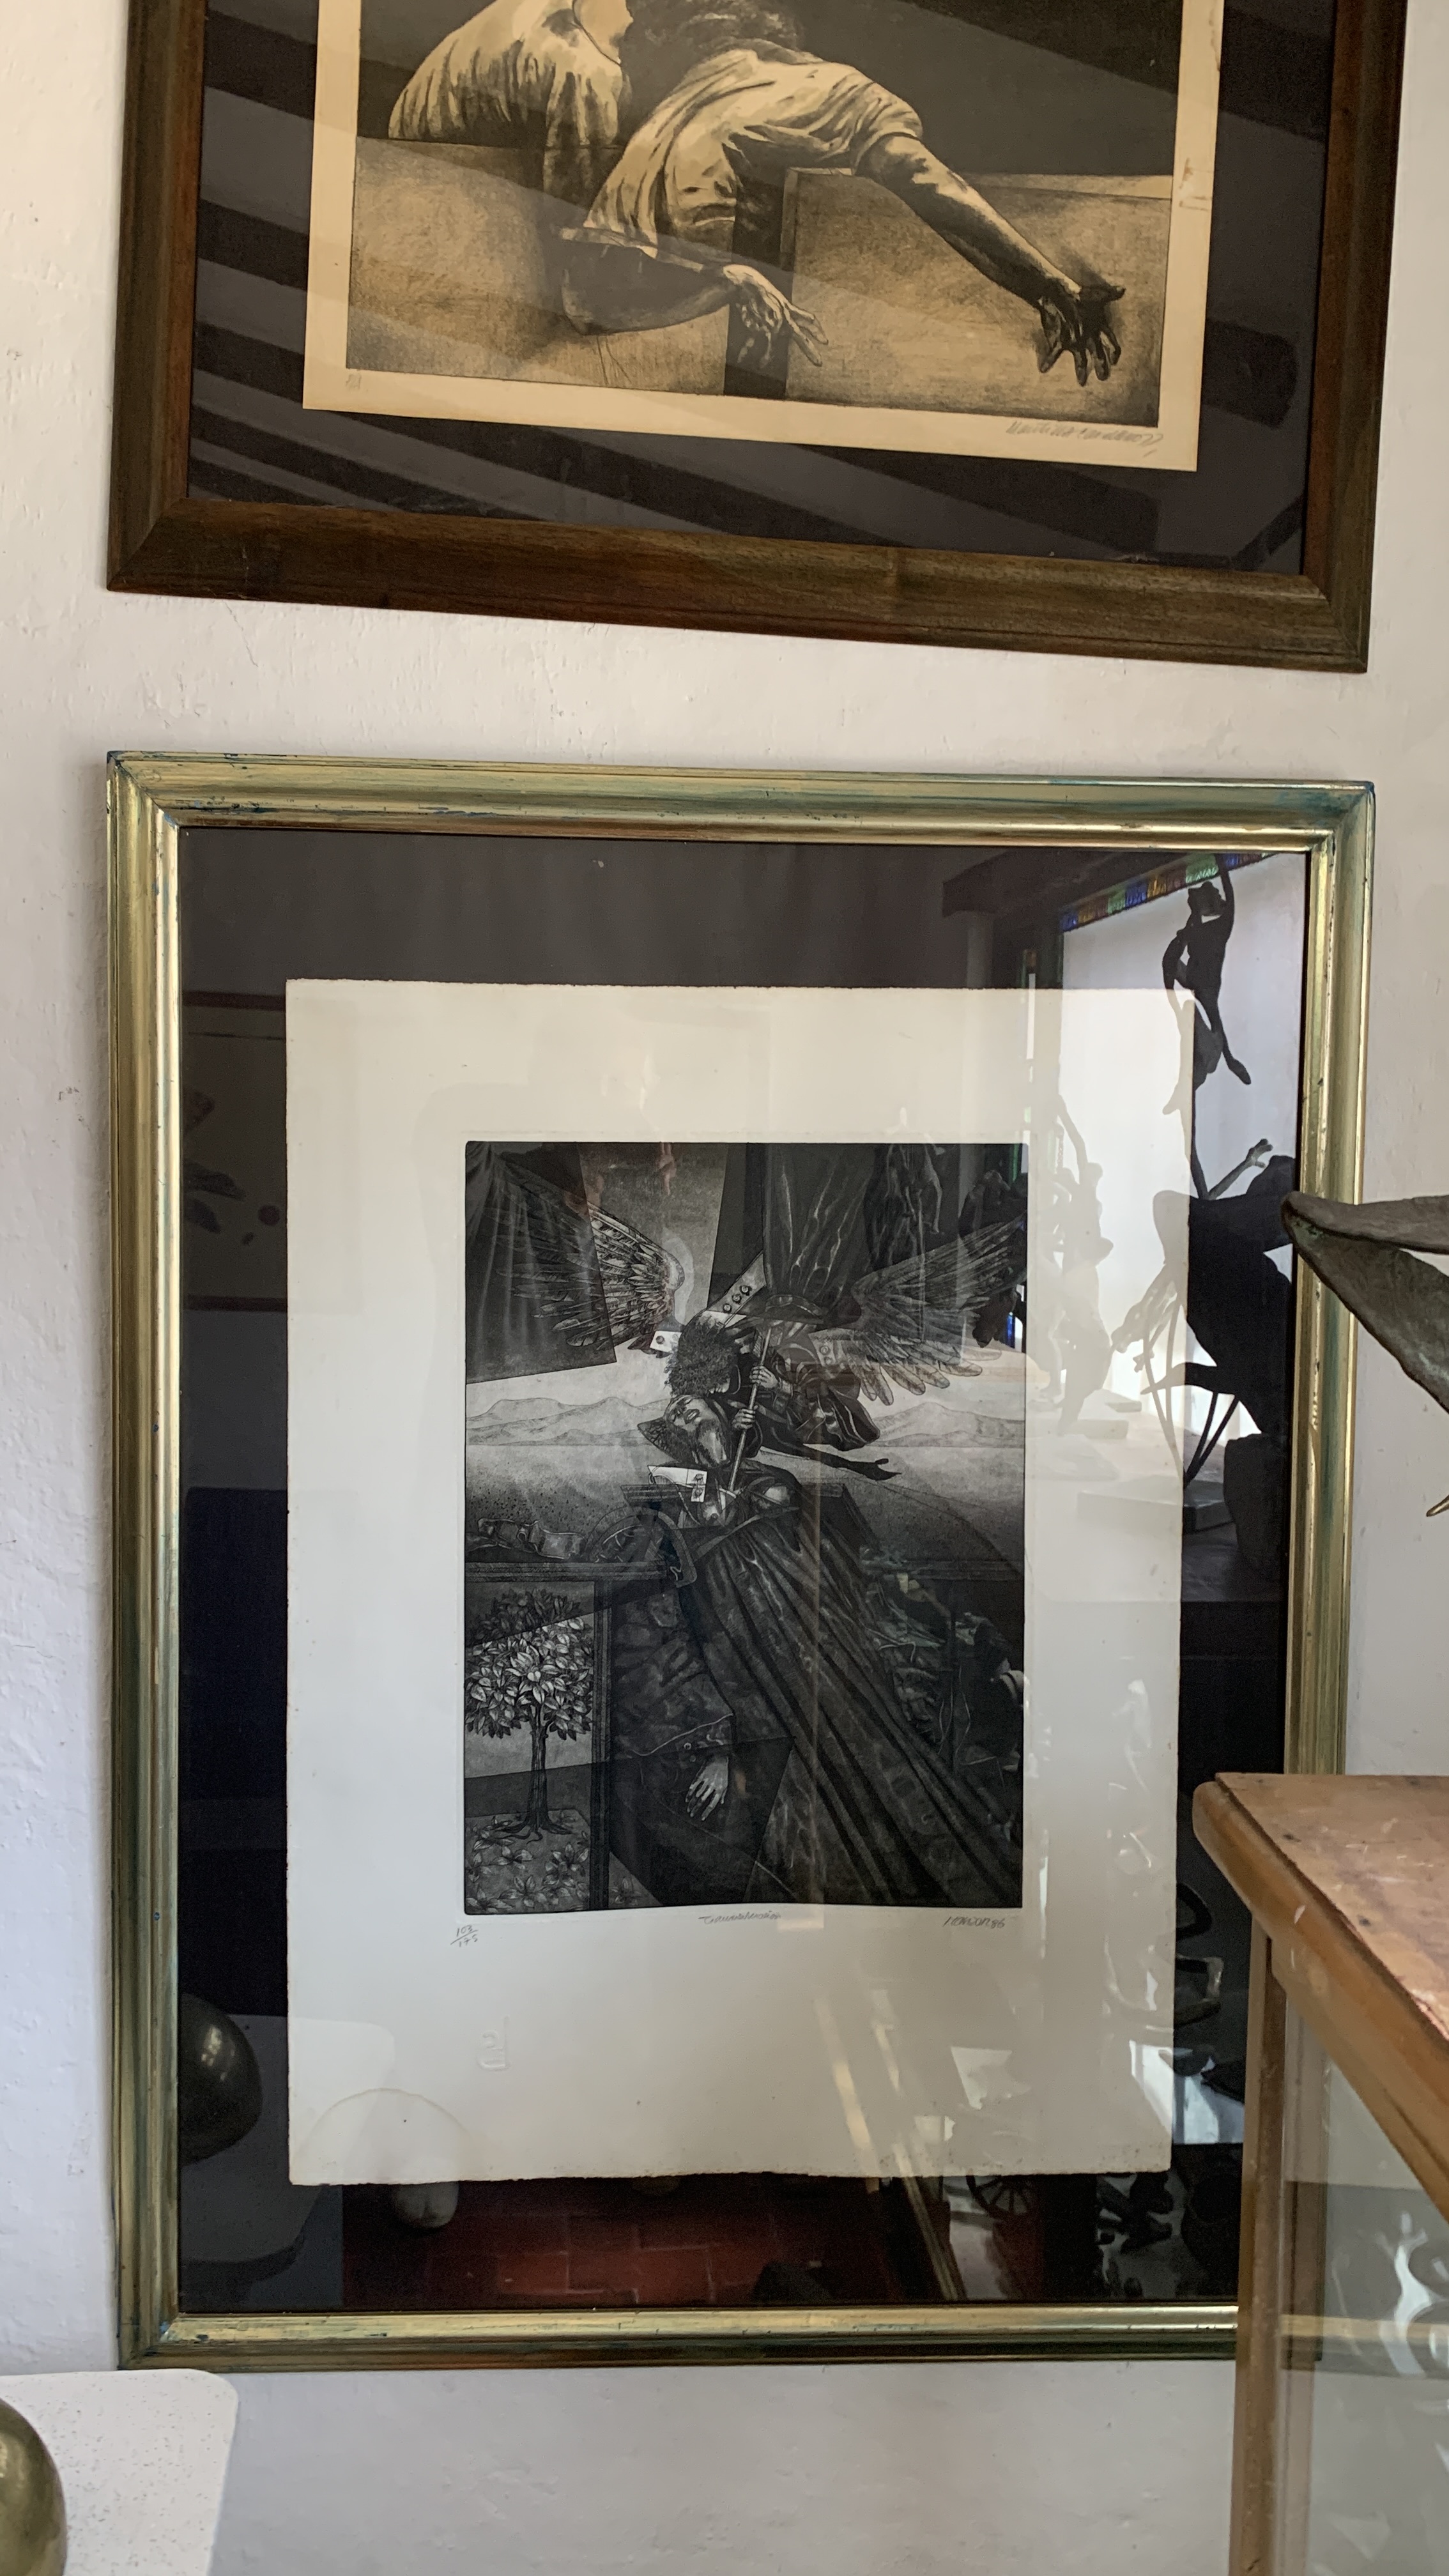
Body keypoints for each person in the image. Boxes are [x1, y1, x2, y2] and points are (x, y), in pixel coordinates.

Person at [562, 0, 1123, 383]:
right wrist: (1049, 284)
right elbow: (925, 180)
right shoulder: (828, 84)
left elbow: (586, 302)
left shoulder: (670, 135)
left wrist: (725, 281)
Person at [389, 0, 631, 211]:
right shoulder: (582, 66)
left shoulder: (548, 14)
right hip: (438, 166)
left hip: (431, 148)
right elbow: (577, 191)